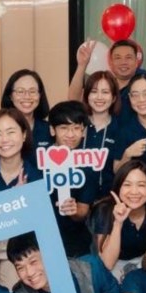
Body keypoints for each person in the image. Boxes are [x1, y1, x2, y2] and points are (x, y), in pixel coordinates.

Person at [44, 100, 101, 257]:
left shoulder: (89, 165)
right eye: (64, 128)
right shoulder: (38, 160)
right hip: (40, 241)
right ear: (52, 130)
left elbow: (83, 211)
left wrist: (73, 210)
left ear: (83, 131)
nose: (71, 135)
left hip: (74, 244)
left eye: (76, 128)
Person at [92, 159, 146, 276]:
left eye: (141, 185)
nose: (134, 191)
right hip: (113, 268)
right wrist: (118, 222)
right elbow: (107, 263)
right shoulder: (105, 209)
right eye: (127, 185)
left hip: (145, 266)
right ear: (118, 189)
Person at [111, 72, 146, 171]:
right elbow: (116, 170)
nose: (141, 99)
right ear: (129, 97)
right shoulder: (125, 131)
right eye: (135, 95)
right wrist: (127, 154)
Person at [81, 71, 122, 182]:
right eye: (94, 91)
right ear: (86, 95)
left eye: (105, 92)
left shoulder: (121, 129)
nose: (99, 97)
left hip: (108, 192)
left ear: (114, 98)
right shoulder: (77, 125)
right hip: (75, 192)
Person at [1, 68, 53, 148]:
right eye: (20, 91)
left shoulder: (49, 130)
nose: (27, 96)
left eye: (32, 91)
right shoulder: (0, 127)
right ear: (10, 96)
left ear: (40, 95)